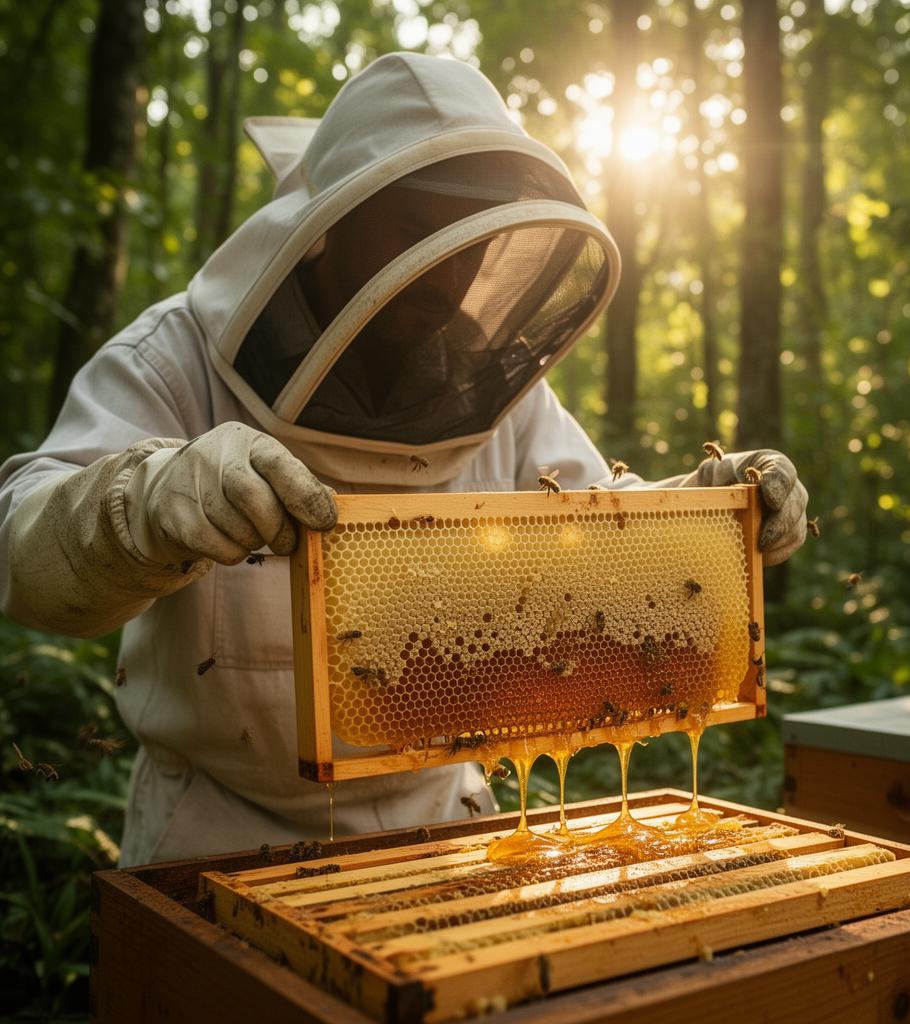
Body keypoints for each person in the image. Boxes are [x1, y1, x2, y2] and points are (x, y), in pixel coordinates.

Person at [0, 52, 807, 866]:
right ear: (327, 226)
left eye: (469, 241)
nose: (446, 273)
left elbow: (600, 540)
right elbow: (22, 555)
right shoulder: (172, 362)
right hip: (222, 836)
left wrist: (708, 511)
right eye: (418, 234)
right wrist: (139, 502)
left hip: (454, 828)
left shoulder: (499, 392)